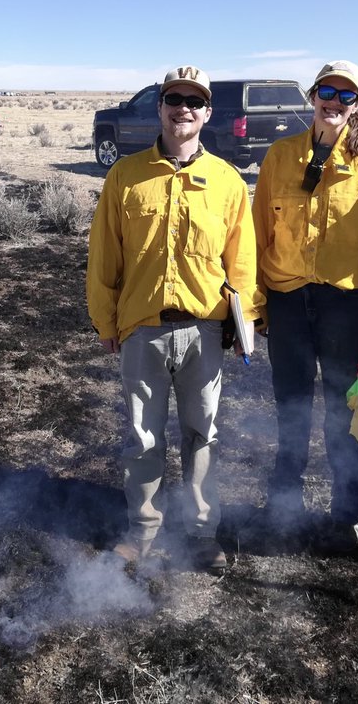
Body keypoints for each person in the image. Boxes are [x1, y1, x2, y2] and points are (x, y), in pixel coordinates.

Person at [86, 65, 260, 575]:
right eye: (174, 99)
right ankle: (142, 531)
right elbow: (104, 257)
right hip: (142, 327)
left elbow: (242, 261)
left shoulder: (227, 181)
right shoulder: (126, 174)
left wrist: (242, 324)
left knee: (202, 433)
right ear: (160, 107)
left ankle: (203, 531)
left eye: (194, 101)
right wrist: (106, 321)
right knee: (143, 436)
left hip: (205, 328)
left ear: (207, 113)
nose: (183, 108)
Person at [252, 60, 358, 552]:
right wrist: (256, 306)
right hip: (289, 302)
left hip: (349, 307)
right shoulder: (279, 155)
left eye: (346, 96)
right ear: (312, 95)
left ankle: (347, 511)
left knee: (348, 410)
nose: (334, 102)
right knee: (290, 406)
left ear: (356, 104)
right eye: (327, 91)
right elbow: (258, 234)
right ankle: (284, 503)